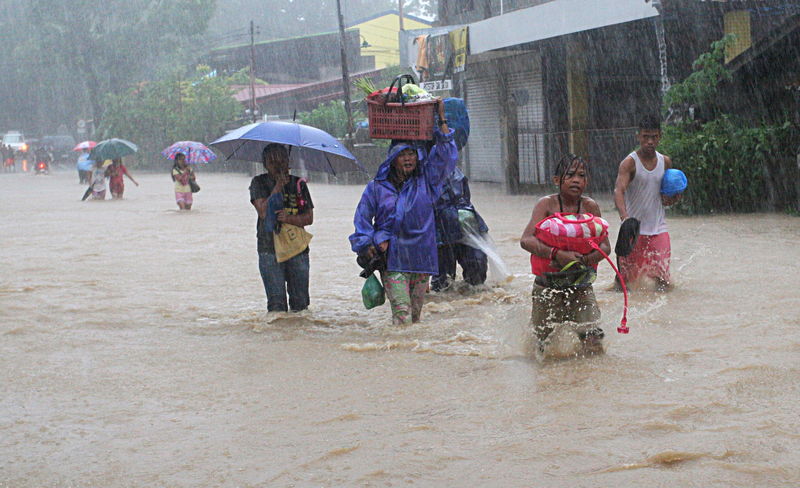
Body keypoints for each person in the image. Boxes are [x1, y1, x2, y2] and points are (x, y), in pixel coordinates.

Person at [350, 100, 457, 325]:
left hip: (421, 258)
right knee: (402, 314)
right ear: (392, 159)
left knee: (415, 318)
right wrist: (368, 244)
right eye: (402, 154)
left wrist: (442, 119)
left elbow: (447, 156)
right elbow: (362, 219)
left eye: (412, 153)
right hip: (392, 258)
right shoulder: (377, 187)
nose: (408, 158)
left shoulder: (427, 181)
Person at [520, 154, 611, 355]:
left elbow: (605, 247)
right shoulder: (546, 205)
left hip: (581, 285)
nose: (576, 180)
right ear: (556, 180)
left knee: (593, 340)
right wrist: (557, 254)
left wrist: (586, 259)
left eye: (581, 175)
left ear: (586, 181)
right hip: (547, 286)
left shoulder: (590, 207)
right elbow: (526, 240)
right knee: (541, 345)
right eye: (570, 175)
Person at [613, 115, 680, 291]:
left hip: (659, 230)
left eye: (654, 137)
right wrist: (625, 218)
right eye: (645, 137)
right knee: (625, 284)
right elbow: (618, 191)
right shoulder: (629, 163)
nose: (649, 141)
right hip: (634, 231)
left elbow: (665, 197)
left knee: (664, 282)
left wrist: (673, 198)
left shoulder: (665, 161)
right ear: (638, 137)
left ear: (660, 137)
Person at [249, 143, 314, 312]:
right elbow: (263, 212)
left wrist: (289, 218)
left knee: (300, 303)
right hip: (269, 248)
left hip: (297, 249)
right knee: (276, 304)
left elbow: (309, 218)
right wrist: (277, 187)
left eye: (281, 160)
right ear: (265, 164)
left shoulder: (298, 184)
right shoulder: (258, 182)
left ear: (288, 161)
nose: (278, 165)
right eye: (272, 162)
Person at [431, 166, 489, 292]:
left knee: (477, 269)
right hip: (439, 231)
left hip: (465, 224)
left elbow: (465, 196)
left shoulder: (455, 172)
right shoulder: (421, 174)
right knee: (443, 281)